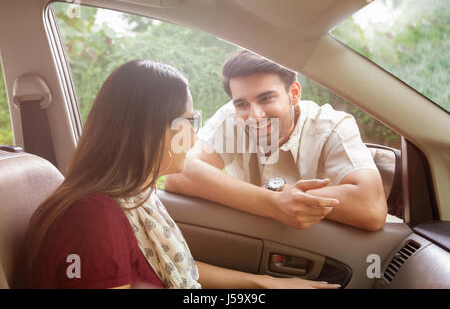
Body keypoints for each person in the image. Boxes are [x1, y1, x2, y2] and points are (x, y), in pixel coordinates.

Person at [14, 60, 339, 289]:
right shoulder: (94, 219)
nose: (194, 139)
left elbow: (178, 268)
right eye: (187, 124)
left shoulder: (134, 197)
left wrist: (264, 285)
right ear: (146, 132)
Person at [165, 50, 387, 231]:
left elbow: (371, 206)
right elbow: (178, 174)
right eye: (242, 104)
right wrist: (273, 202)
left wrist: (282, 196)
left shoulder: (331, 126)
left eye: (266, 98)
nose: (255, 116)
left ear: (294, 93)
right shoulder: (231, 118)